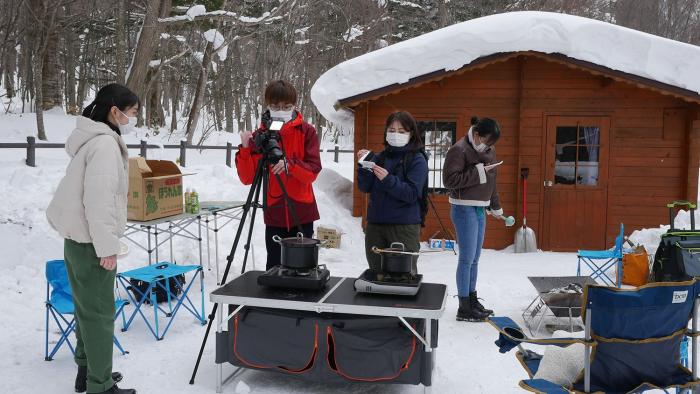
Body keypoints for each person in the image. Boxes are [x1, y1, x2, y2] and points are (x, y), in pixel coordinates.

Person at [46, 83, 138, 394]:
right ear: (116, 111)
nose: (133, 119)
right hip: (92, 244)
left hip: (77, 242)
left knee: (86, 309)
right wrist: (107, 247)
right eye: (132, 113)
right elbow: (98, 201)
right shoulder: (105, 146)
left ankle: (86, 371)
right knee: (99, 315)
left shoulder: (90, 140)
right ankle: (101, 385)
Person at [236, 80, 322, 270]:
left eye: (286, 106)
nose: (281, 110)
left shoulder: (306, 131)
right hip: (274, 211)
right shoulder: (262, 135)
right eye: (275, 106)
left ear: (294, 106)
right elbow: (247, 178)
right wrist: (244, 148)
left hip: (302, 210)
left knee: (304, 267)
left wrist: (290, 165)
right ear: (267, 105)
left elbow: (313, 171)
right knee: (275, 266)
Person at [443, 116, 502, 322]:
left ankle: (472, 299)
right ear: (476, 134)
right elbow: (449, 181)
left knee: (475, 259)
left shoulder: (488, 150)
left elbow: (492, 180)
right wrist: (478, 173)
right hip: (463, 208)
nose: (488, 147)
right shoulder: (458, 150)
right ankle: (464, 307)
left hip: (480, 208)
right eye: (486, 141)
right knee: (466, 259)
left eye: (491, 144)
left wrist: (495, 205)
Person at [357, 111, 428, 274]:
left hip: (404, 227)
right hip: (376, 226)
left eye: (402, 132)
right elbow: (365, 187)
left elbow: (411, 194)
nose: (396, 134)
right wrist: (363, 166)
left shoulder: (417, 160)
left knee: (402, 277)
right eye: (392, 130)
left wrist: (389, 180)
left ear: (411, 134)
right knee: (377, 275)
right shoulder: (379, 157)